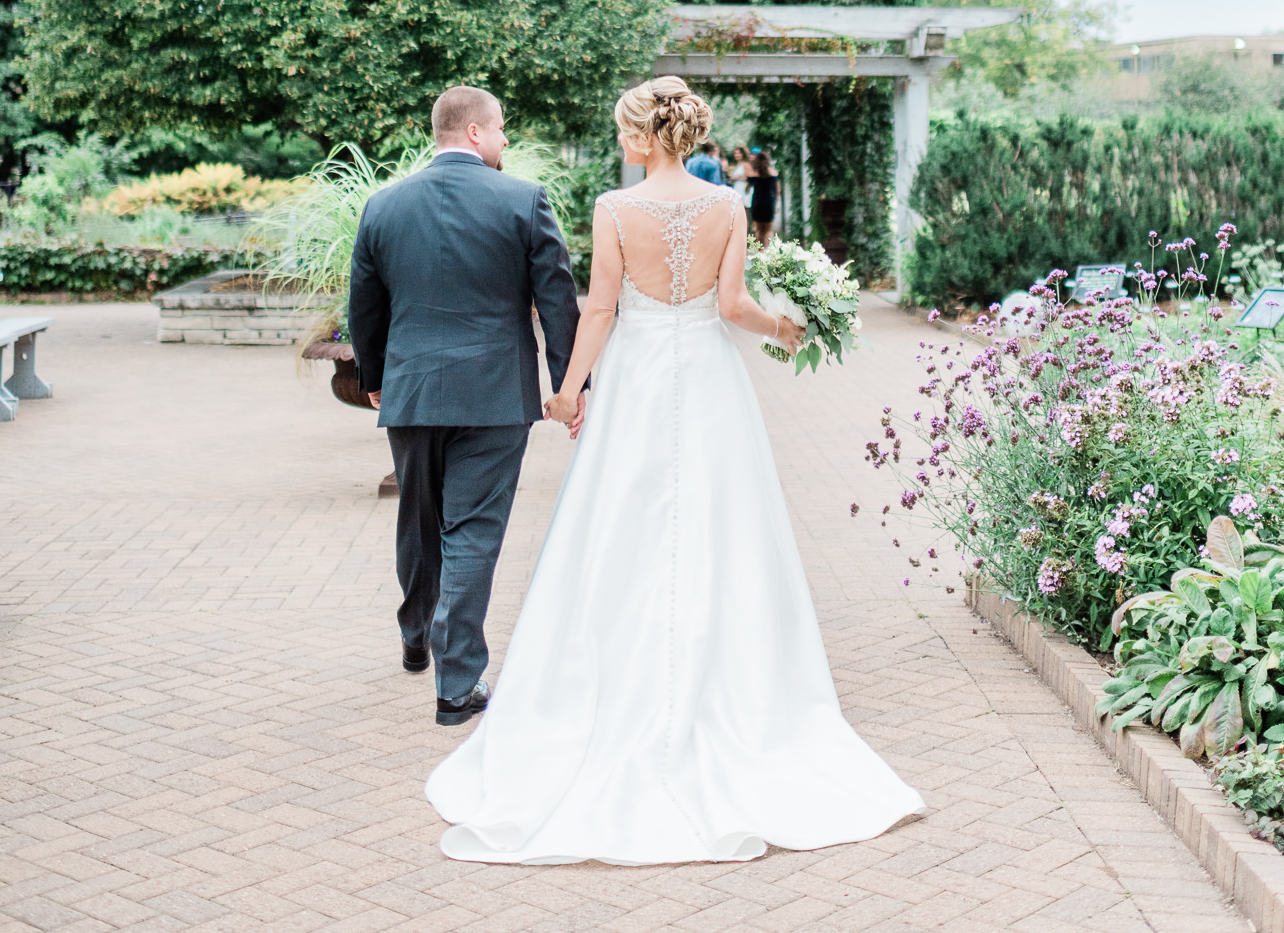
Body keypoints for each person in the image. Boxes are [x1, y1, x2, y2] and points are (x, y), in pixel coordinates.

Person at [424, 75, 923, 864]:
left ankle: (610, 685)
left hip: (639, 375)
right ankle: (737, 687)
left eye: (626, 129)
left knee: (621, 523)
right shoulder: (726, 206)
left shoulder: (615, 210)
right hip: (712, 378)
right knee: (725, 524)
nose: (623, 139)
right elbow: (731, 307)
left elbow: (599, 308)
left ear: (643, 137)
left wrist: (568, 389)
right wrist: (788, 331)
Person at [347, 85, 581, 725]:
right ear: (475, 133)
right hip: (495, 396)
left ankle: (415, 628)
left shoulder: (382, 207)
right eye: (501, 129)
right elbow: (558, 302)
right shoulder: (523, 200)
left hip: (413, 391)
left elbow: (364, 305)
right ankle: (457, 686)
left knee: (419, 522)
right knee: (472, 531)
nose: (506, 140)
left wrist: (375, 377)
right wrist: (570, 388)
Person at [748, 149, 780, 246]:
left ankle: (758, 252)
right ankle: (769, 252)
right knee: (768, 230)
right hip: (769, 203)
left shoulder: (753, 174)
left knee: (758, 230)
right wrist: (776, 205)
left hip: (757, 203)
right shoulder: (773, 173)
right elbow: (778, 191)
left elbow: (746, 188)